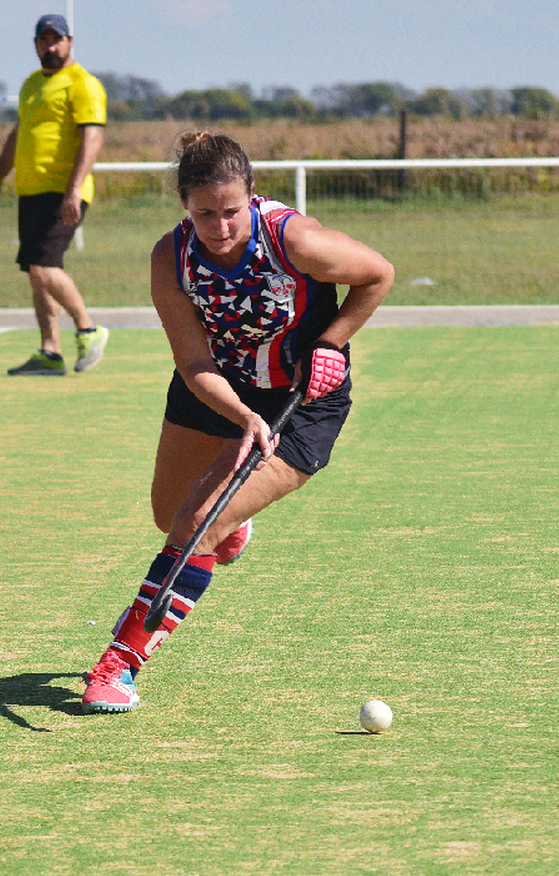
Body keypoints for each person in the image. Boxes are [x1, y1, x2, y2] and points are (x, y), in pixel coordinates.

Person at [81, 132, 393, 715]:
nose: (220, 228)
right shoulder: (169, 257)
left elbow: (377, 273)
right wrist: (244, 415)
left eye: (230, 212)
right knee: (168, 513)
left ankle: (120, 660)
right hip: (217, 389)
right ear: (183, 205)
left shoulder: (292, 239)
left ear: (251, 195)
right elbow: (194, 363)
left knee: (197, 522)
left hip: (301, 400)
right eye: (204, 214)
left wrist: (330, 341)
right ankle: (232, 522)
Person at [0, 13, 110, 377]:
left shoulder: (82, 84)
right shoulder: (31, 85)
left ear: (70, 42)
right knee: (36, 272)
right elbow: (18, 134)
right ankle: (49, 351)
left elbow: (93, 137)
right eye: (44, 40)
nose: (50, 46)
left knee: (44, 266)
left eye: (57, 40)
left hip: (64, 191)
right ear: (36, 44)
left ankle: (88, 328)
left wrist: (74, 189)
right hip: (31, 191)